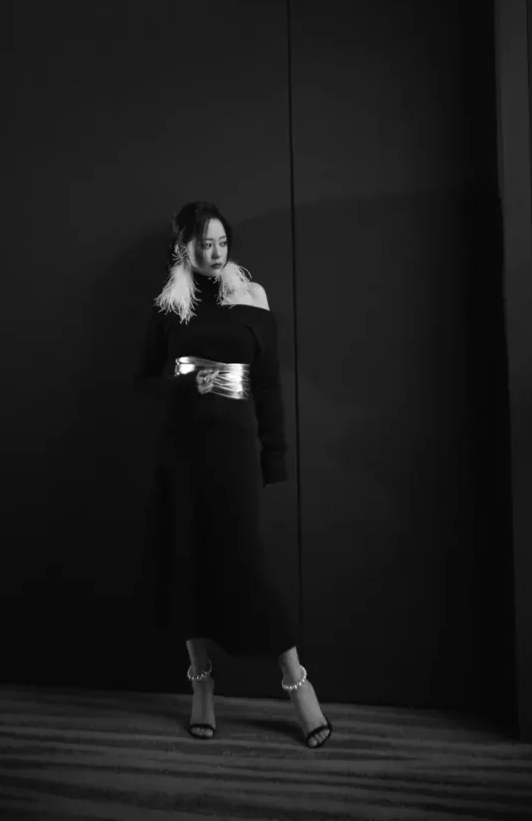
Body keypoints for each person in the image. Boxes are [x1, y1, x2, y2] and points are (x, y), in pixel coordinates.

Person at [133, 201, 333, 749]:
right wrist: (186, 383)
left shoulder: (251, 297)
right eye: (205, 244)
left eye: (222, 242)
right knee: (190, 562)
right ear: (185, 248)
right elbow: (143, 383)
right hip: (183, 451)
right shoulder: (169, 306)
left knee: (246, 562)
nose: (215, 252)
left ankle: (297, 683)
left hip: (236, 449)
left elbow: (266, 385)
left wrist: (275, 454)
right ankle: (201, 685)